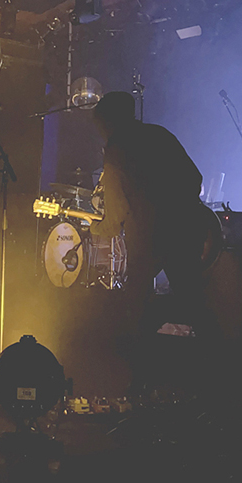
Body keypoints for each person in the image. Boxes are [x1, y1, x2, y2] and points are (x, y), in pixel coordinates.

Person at [89, 92, 221, 352]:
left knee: (135, 304)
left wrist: (97, 227)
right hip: (187, 227)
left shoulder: (116, 151)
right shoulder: (160, 135)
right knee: (193, 300)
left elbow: (115, 217)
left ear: (107, 122)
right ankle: (216, 361)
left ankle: (136, 363)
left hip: (149, 236)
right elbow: (194, 178)